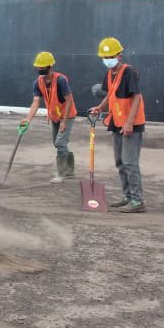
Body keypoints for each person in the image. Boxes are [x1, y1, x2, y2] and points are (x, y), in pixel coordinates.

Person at [89, 37, 146, 213]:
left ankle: (137, 201)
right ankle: (128, 196)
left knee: (130, 162)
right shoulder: (109, 74)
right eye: (104, 57)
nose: (107, 60)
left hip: (131, 124)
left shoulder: (129, 72)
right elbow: (110, 95)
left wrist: (129, 122)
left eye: (110, 56)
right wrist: (100, 107)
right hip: (116, 122)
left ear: (119, 55)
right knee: (120, 162)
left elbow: (136, 96)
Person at [20, 51, 77, 183]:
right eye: (38, 67)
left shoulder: (61, 81)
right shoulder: (38, 83)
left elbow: (69, 100)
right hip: (54, 116)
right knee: (57, 143)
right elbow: (36, 102)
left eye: (43, 67)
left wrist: (64, 121)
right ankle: (70, 170)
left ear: (51, 66)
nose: (40, 70)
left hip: (67, 116)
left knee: (60, 143)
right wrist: (28, 119)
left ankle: (60, 174)